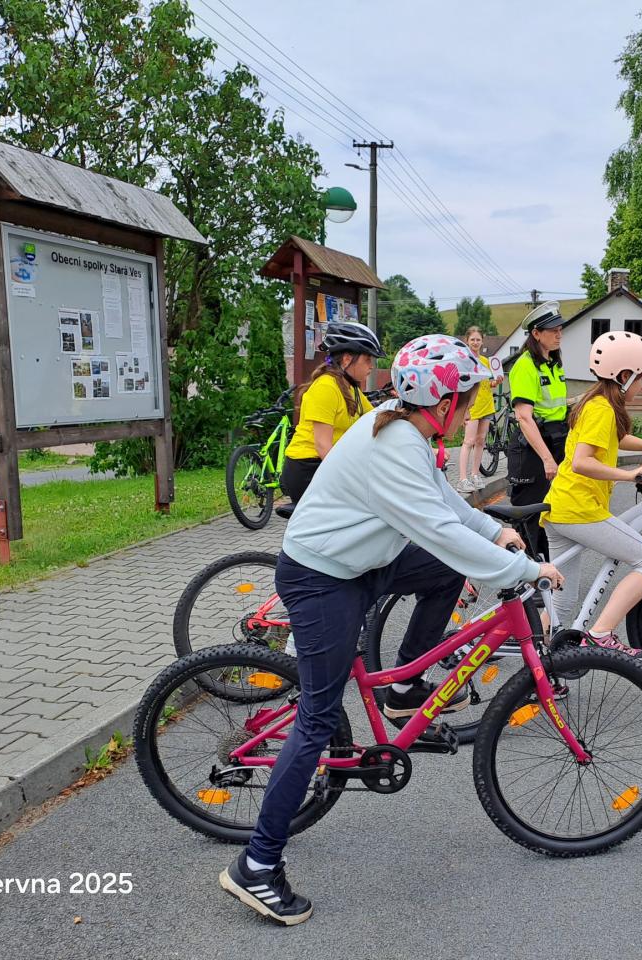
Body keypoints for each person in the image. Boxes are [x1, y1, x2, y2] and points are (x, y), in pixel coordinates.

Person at [220, 333, 563, 926]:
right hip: (322, 576)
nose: (470, 410)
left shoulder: (404, 426)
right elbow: (437, 528)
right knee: (318, 719)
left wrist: (494, 531)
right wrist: (525, 570)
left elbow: (446, 503)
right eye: (467, 399)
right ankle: (257, 864)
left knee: (447, 571)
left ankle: (403, 688)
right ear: (444, 403)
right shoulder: (396, 445)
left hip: (359, 561)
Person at [543, 331, 642, 653]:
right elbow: (582, 462)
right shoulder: (602, 409)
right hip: (579, 510)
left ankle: (537, 660)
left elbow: (614, 439)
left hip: (561, 508)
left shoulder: (597, 402)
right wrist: (629, 474)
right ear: (625, 376)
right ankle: (600, 633)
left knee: (562, 603)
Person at [279, 321, 383, 510]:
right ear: (347, 359)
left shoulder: (350, 389)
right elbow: (323, 446)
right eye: (367, 359)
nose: (371, 366)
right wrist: (351, 476)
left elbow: (377, 418)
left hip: (326, 464)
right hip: (309, 468)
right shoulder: (326, 387)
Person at [507, 301, 568, 556]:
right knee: (529, 518)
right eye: (553, 330)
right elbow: (524, 417)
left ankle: (545, 571)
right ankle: (524, 574)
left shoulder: (552, 363)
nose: (559, 334)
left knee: (551, 513)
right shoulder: (525, 365)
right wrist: (547, 459)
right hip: (533, 450)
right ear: (536, 333)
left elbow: (555, 407)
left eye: (560, 329)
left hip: (556, 441)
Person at [455, 325, 501, 493]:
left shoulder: (486, 361)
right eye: (472, 339)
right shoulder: (464, 362)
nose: (475, 342)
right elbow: (461, 386)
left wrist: (495, 382)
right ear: (467, 341)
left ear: (482, 341)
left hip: (487, 405)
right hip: (471, 407)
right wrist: (463, 410)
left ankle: (475, 474)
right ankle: (462, 479)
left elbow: (486, 383)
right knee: (468, 442)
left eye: (478, 339)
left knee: (481, 441)